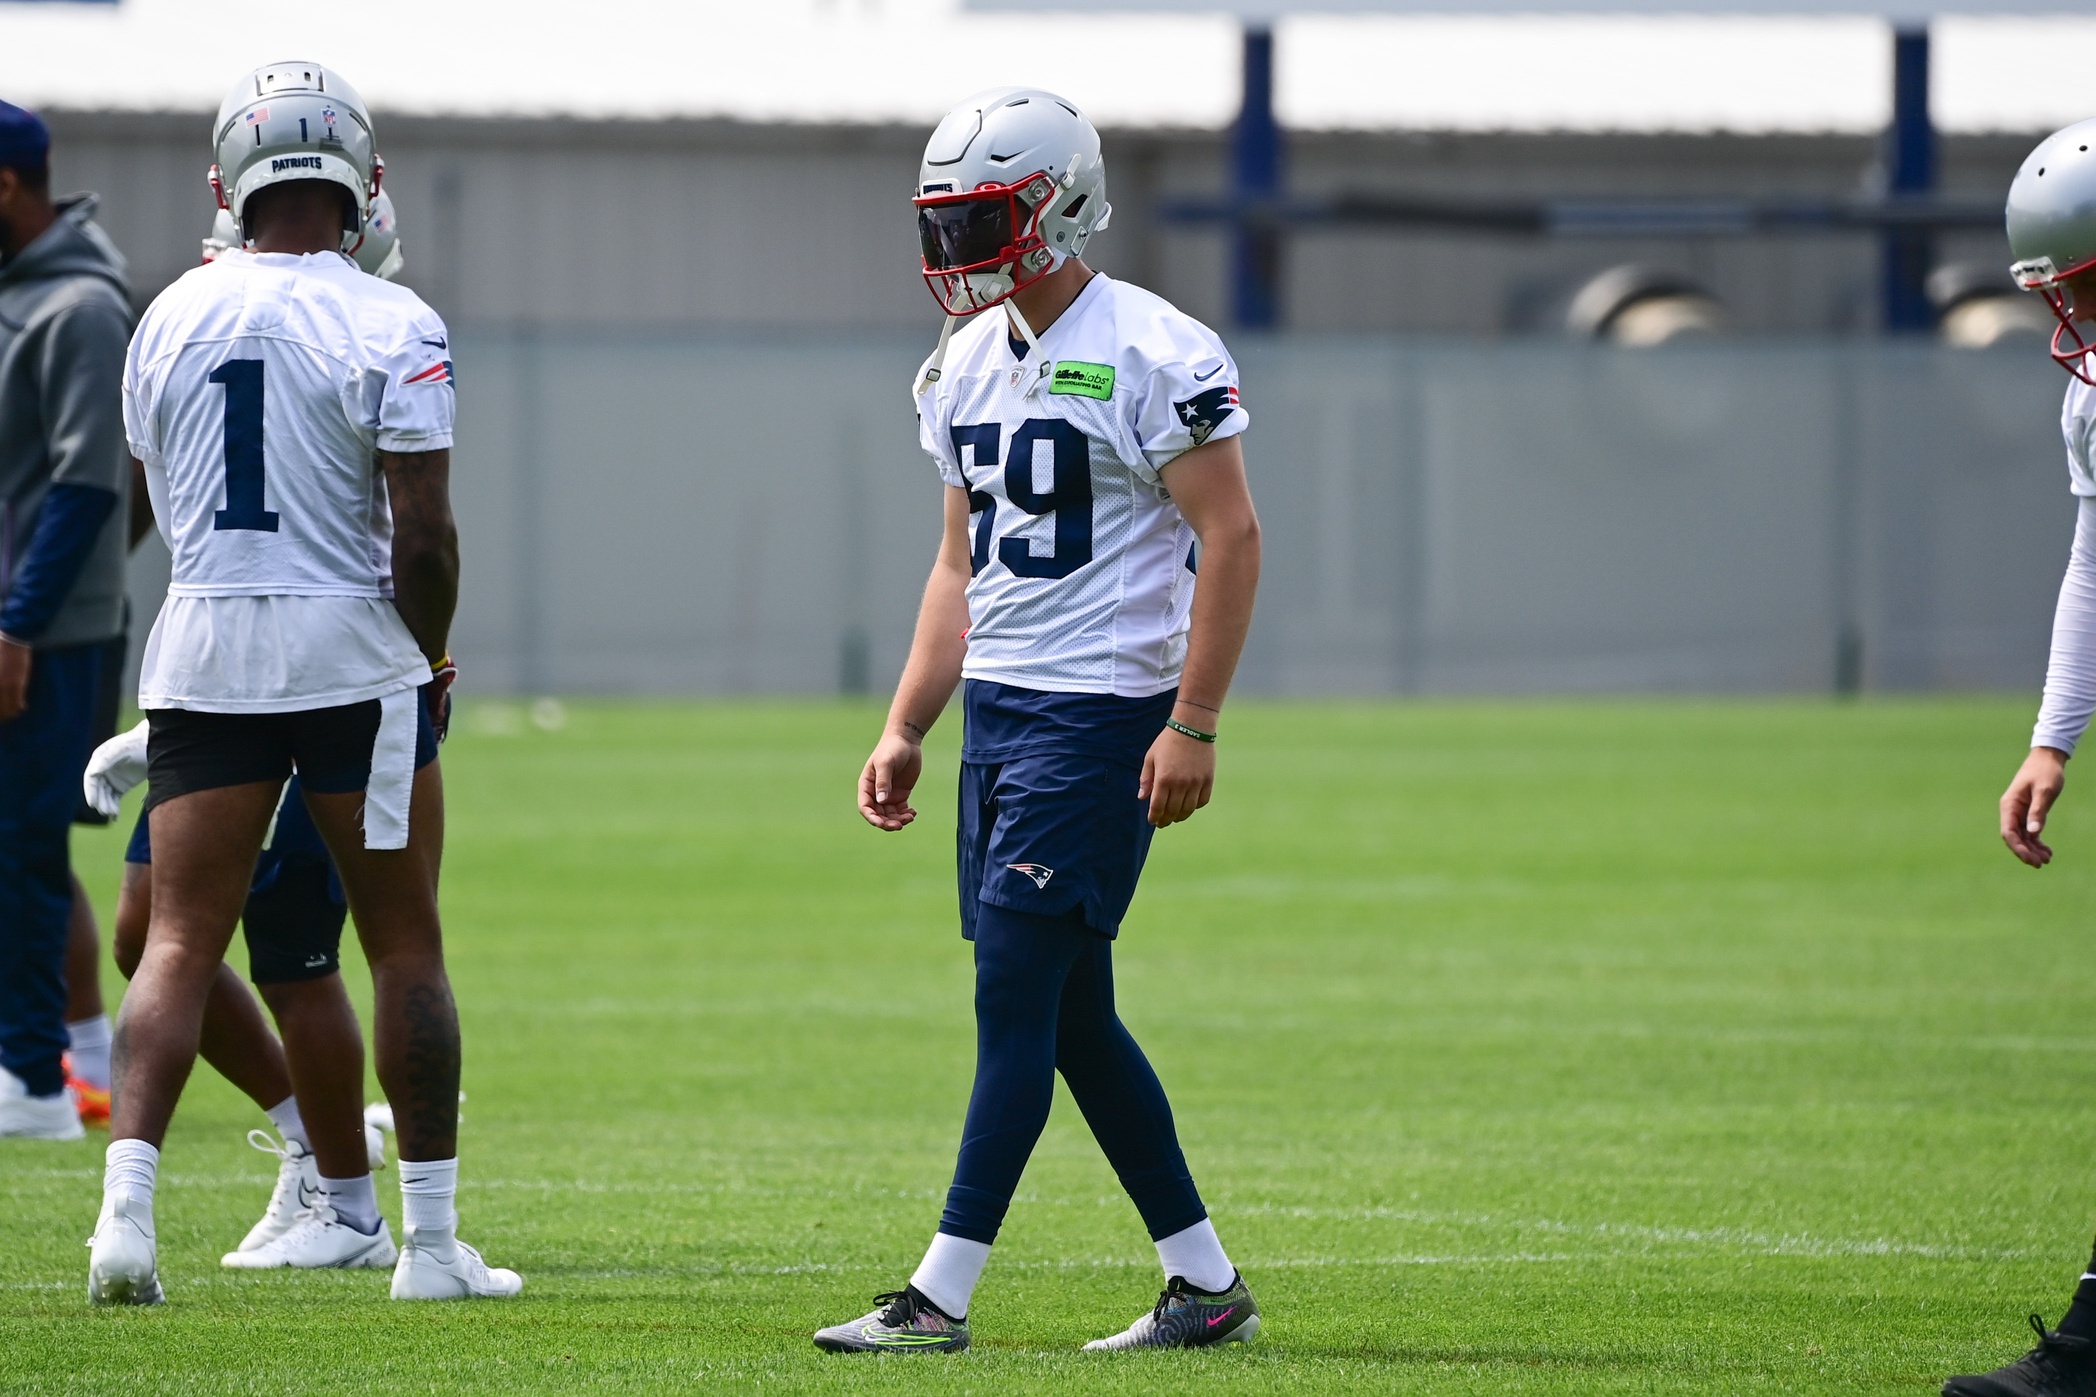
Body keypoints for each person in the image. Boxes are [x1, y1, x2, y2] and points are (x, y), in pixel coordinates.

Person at [813, 87, 1264, 1355]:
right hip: (1003, 715)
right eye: (946, 225)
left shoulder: (1154, 348)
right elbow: (959, 566)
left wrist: (1196, 719)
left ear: (1062, 207)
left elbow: (1230, 535)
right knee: (1068, 1015)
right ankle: (1204, 1283)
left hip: (1099, 718)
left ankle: (937, 1295)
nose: (959, 253)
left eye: (984, 221)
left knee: (1012, 999)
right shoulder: (964, 360)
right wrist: (908, 721)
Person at [86, 60, 516, 1306]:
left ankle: (128, 1217)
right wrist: (426, 652)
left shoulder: (165, 313)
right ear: (360, 183)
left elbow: (148, 505)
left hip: (207, 644)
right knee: (403, 945)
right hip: (350, 654)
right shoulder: (394, 317)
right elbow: (424, 538)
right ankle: (428, 1248)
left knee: (172, 939)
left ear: (230, 186)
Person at [71, 188, 412, 1267]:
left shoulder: (370, 347)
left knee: (294, 951)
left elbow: (402, 554)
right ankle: (320, 1137)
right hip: (211, 679)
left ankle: (344, 1194)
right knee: (149, 935)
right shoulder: (209, 317)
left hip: (327, 681)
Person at [1950, 119, 2096, 1397]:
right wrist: (2052, 734)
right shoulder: (2087, 398)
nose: (2066, 309)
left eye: (2083, 280)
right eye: (2057, 285)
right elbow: (2093, 565)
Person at [0, 98, 134, 1143]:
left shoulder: (80, 306)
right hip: (19, 619)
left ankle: (38, 1081)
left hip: (48, 630)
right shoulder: (19, 297)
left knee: (26, 844)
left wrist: (19, 623)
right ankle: (49, 1059)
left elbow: (89, 485)